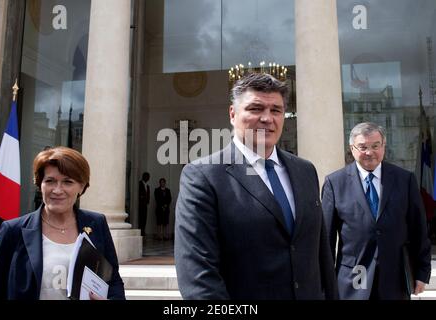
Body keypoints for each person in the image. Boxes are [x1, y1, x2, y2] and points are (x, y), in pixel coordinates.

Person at [174, 72, 338, 299]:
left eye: (276, 110)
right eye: (255, 109)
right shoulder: (203, 176)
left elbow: (321, 255)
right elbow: (198, 276)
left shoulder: (305, 171)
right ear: (233, 114)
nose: (267, 118)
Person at [0, 147, 125, 300]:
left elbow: (113, 281)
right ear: (40, 184)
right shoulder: (13, 231)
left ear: (82, 186)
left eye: (68, 182)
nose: (57, 190)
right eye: (50, 181)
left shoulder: (96, 223)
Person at [321, 122, 431, 300]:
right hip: (353, 278)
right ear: (352, 148)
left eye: (375, 146)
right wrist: (324, 282)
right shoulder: (335, 183)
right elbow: (325, 238)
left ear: (383, 146)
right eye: (363, 147)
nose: (369, 152)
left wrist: (422, 271)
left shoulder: (405, 180)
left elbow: (418, 229)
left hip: (394, 278)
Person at [138, 172, 150, 237]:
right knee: (140, 218)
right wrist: (142, 197)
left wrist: (147, 201)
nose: (148, 178)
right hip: (140, 205)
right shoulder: (139, 184)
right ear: (143, 177)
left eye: (148, 177)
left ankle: (143, 231)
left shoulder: (147, 186)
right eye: (147, 176)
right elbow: (139, 194)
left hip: (145, 205)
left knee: (144, 219)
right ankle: (140, 231)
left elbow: (148, 195)